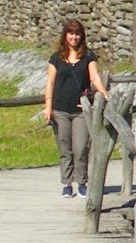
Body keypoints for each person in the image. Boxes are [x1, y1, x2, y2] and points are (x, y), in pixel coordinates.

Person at [43, 19, 107, 198]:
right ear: (65, 35)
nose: (74, 37)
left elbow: (94, 78)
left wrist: (104, 93)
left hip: (80, 110)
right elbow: (50, 83)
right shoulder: (56, 57)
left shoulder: (88, 56)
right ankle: (67, 183)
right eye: (71, 33)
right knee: (65, 148)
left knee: (80, 148)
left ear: (81, 36)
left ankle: (82, 182)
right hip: (60, 109)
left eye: (77, 34)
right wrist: (48, 107)